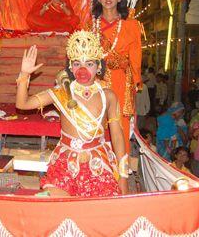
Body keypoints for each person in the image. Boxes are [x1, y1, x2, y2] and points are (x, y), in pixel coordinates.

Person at [16, 30, 128, 196]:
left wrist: (124, 177)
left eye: (89, 64)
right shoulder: (61, 92)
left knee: (101, 212)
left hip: (96, 164)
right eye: (77, 64)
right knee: (57, 208)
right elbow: (22, 104)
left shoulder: (108, 96)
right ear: (70, 66)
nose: (82, 70)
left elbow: (118, 136)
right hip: (64, 165)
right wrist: (25, 74)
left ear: (98, 66)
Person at [83, 0, 142, 160]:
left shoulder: (132, 24)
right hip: (94, 81)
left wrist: (135, 84)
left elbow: (135, 58)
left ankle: (120, 172)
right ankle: (94, 168)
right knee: (94, 124)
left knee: (120, 126)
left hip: (120, 81)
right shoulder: (88, 24)